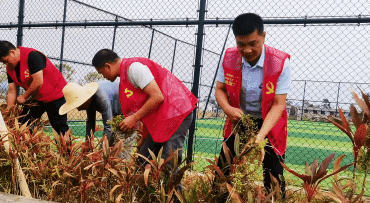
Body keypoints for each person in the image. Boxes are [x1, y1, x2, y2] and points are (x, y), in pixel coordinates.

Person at [215, 13, 291, 193]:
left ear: (263, 36)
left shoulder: (280, 62)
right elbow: (220, 89)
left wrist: (259, 138)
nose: (247, 50)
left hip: (269, 122)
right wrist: (228, 109)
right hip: (239, 120)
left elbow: (278, 104)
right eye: (241, 44)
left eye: (253, 43)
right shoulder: (229, 58)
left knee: (274, 174)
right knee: (224, 168)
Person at [91, 49, 197, 164]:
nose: (103, 77)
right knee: (143, 158)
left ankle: (173, 182)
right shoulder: (124, 76)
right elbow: (146, 104)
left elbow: (157, 97)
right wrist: (144, 136)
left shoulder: (134, 69)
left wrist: (134, 118)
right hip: (162, 115)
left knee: (168, 163)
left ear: (108, 66)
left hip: (176, 112)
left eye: (102, 73)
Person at [0, 40, 69, 136]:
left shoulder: (32, 56)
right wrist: (9, 113)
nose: (6, 64)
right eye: (3, 62)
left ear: (12, 52)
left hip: (56, 95)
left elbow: (38, 81)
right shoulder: (10, 68)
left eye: (6, 61)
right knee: (23, 123)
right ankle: (24, 148)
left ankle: (66, 150)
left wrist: (24, 97)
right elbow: (12, 91)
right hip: (38, 98)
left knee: (59, 128)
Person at [58, 79, 122, 144]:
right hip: (116, 115)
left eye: (77, 104)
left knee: (121, 145)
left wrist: (100, 152)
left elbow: (108, 127)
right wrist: (87, 144)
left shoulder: (101, 98)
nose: (77, 108)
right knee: (112, 145)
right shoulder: (89, 101)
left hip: (127, 113)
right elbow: (90, 122)